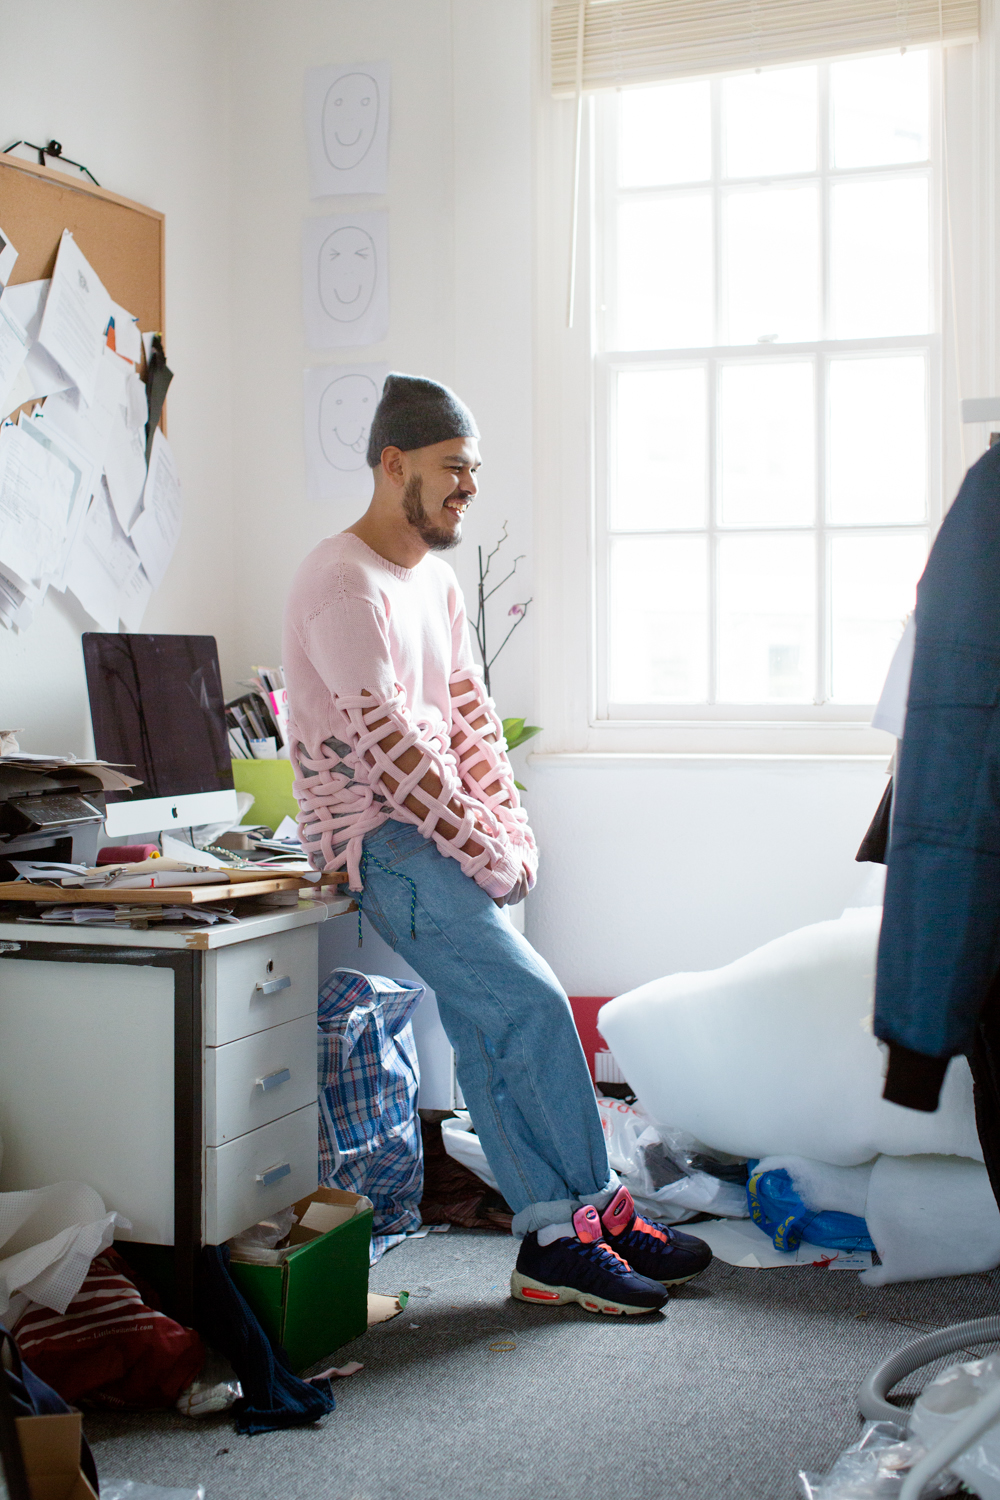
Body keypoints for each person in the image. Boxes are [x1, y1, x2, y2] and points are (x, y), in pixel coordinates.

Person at [283, 373, 711, 1315]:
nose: (467, 488)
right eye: (451, 469)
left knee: (488, 1026)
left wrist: (510, 830)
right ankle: (593, 1210)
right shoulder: (338, 580)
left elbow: (469, 719)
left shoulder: (433, 581)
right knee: (529, 1002)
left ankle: (558, 1239)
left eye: (473, 471)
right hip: (382, 841)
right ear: (393, 465)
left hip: (436, 836)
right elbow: (388, 747)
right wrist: (483, 851)